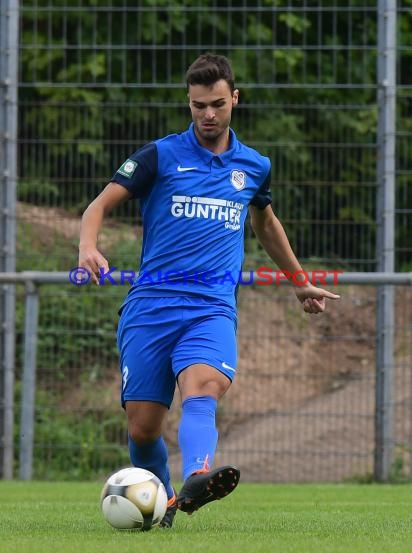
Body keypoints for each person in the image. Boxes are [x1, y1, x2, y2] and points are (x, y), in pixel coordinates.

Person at [78, 53, 340, 528]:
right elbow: (99, 204)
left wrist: (299, 282)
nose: (209, 115)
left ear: (234, 99)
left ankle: (198, 475)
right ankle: (166, 504)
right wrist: (87, 246)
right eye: (199, 105)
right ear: (189, 102)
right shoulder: (160, 155)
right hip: (151, 307)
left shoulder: (254, 166)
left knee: (203, 387)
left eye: (218, 104)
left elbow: (266, 223)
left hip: (211, 308)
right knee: (142, 426)